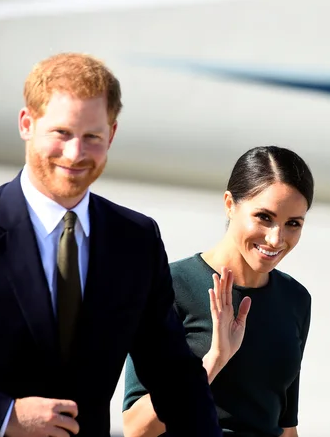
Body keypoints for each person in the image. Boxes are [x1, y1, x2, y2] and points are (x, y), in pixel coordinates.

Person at [0, 52, 221, 437]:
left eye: (92, 137)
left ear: (111, 134)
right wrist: (6, 416)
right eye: (61, 133)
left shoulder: (136, 241)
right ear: (27, 124)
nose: (76, 154)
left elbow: (174, 375)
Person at [122, 146, 314, 437]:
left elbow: (286, 426)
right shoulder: (169, 286)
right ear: (229, 204)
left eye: (293, 224)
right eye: (264, 217)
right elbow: (136, 428)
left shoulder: (295, 299)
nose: (276, 238)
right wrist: (213, 361)